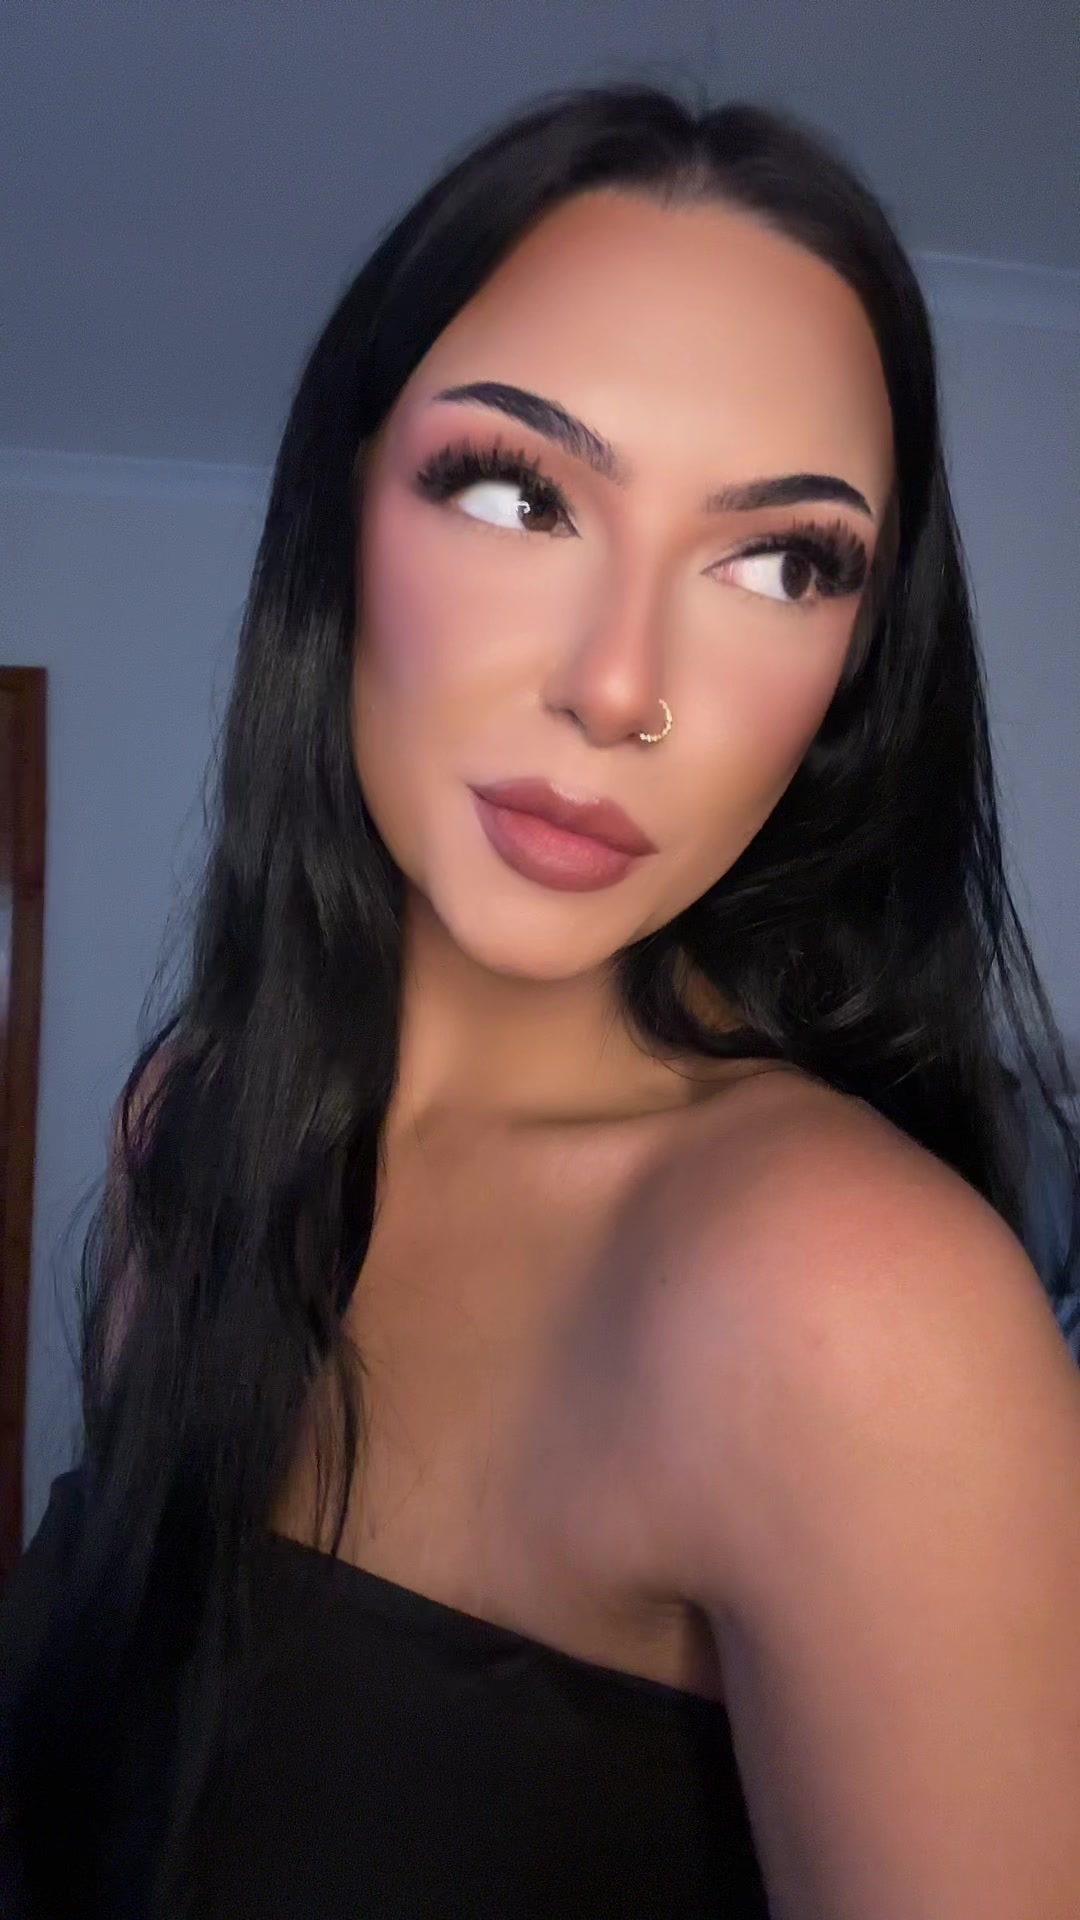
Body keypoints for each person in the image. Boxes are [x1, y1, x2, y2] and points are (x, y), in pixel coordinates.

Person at [2, 80, 1079, 1920]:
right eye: (517, 491)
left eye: (781, 561)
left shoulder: (850, 1312)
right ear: (344, 507)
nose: (620, 684)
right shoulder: (190, 1124)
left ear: (856, 670)